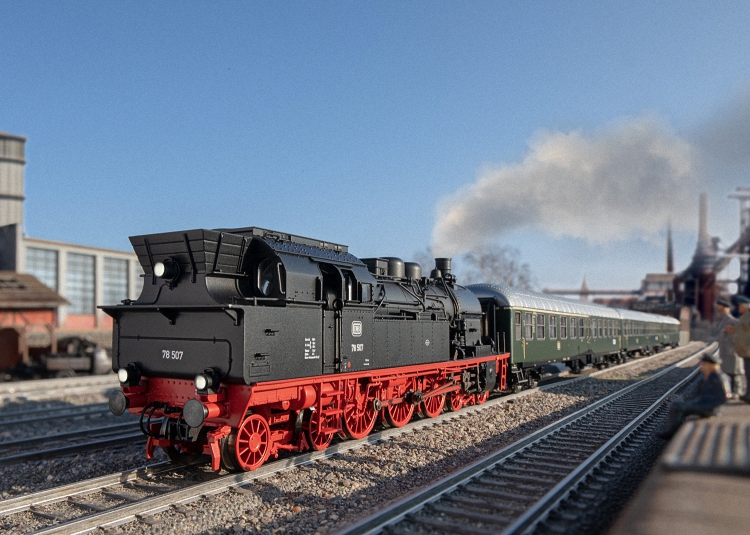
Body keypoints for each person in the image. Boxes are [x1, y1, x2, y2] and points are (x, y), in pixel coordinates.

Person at [657, 353, 730, 439]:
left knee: (678, 406)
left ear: (710, 365)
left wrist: (707, 405)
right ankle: (674, 432)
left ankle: (672, 434)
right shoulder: (708, 376)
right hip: (704, 405)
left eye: (703, 364)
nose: (701, 366)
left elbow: (725, 397)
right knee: (678, 406)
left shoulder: (719, 378)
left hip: (710, 409)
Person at [716, 298, 744, 398]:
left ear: (725, 308)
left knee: (735, 372)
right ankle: (729, 392)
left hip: (732, 351)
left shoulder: (731, 320)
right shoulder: (724, 320)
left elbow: (739, 333)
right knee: (727, 372)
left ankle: (737, 392)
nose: (717, 307)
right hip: (725, 352)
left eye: (719, 305)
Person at [730, 295, 750, 403]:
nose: (739, 307)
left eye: (741, 305)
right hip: (744, 351)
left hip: (748, 351)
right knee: (747, 374)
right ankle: (748, 394)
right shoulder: (744, 316)